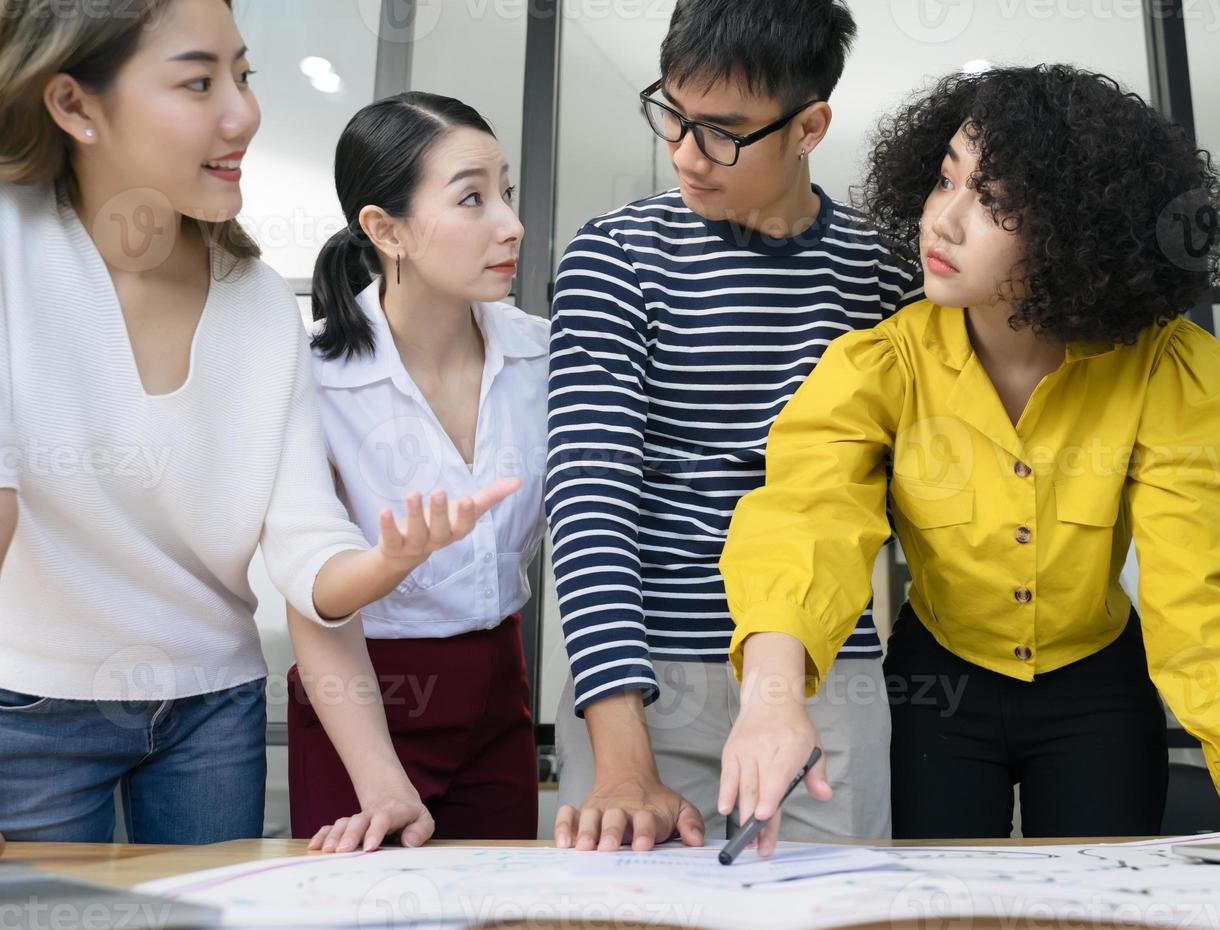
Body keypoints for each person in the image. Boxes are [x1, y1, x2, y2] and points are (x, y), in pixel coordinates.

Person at [719, 65, 1220, 845]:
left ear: (1082, 234)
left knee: (1109, 928)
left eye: (995, 203)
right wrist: (773, 696)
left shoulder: (1175, 375)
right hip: (936, 676)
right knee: (941, 916)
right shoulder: (877, 367)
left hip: (1098, 682)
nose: (942, 221)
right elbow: (806, 521)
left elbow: (1200, 599)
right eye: (946, 180)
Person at [0, 0, 515, 845]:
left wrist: (385, 562)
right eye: (198, 81)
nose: (243, 112)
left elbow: (309, 560)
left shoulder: (260, 309)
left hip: (212, 709)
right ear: (73, 105)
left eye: (241, 75)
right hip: (30, 708)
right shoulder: (14, 250)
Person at [547, 0, 920, 852]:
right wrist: (622, 756)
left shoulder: (883, 273)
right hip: (645, 687)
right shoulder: (615, 255)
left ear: (809, 126)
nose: (685, 154)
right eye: (673, 116)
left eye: (723, 131)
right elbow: (590, 500)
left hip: (830, 679)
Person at [286, 92, 549, 853]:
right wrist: (379, 780)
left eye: (506, 191)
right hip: (362, 702)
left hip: (500, 694)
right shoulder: (310, 376)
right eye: (472, 198)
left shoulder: (545, 356)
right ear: (385, 230)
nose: (510, 224)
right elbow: (312, 598)